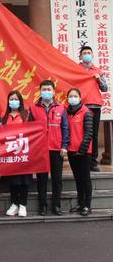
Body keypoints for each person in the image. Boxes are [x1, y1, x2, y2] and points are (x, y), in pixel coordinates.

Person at [29, 80, 69, 216]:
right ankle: (43, 206)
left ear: (53, 91)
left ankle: (56, 206)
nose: (46, 92)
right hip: (41, 150)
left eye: (48, 89)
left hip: (56, 148)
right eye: (44, 89)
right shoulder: (33, 108)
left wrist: (64, 146)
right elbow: (30, 130)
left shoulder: (60, 108)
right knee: (42, 179)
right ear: (40, 91)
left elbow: (65, 128)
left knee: (57, 179)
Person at [78, 45, 108, 171]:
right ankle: (82, 161)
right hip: (81, 106)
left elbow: (105, 88)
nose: (86, 54)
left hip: (95, 106)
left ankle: (93, 162)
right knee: (81, 134)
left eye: (89, 52)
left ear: (92, 55)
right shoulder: (76, 69)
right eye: (84, 53)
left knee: (93, 135)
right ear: (80, 56)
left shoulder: (98, 70)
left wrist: (98, 79)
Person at [2, 90, 31, 218]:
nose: (13, 101)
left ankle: (23, 204)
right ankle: (14, 203)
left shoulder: (26, 115)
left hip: (23, 152)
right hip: (9, 152)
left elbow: (31, 132)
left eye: (16, 99)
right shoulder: (4, 117)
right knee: (12, 180)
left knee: (23, 180)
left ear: (20, 101)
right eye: (11, 99)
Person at [66, 88, 93, 216]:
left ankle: (88, 206)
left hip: (83, 152)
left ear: (80, 97)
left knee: (85, 178)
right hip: (71, 151)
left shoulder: (86, 112)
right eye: (70, 96)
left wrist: (81, 150)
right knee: (77, 179)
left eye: (75, 96)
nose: (72, 98)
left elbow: (89, 133)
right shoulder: (67, 112)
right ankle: (81, 203)